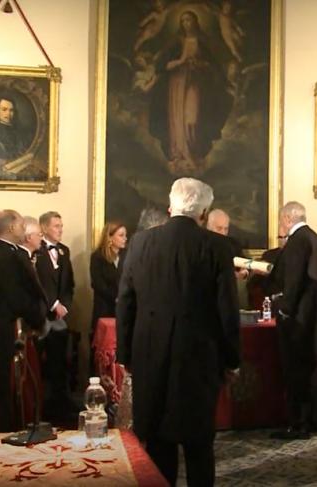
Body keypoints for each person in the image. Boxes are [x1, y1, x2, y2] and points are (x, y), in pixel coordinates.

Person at [116, 178, 240, 487]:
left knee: (158, 443)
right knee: (199, 445)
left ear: (171, 205)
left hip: (150, 354)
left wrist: (126, 354)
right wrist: (232, 360)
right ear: (203, 212)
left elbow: (125, 302)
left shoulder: (141, 242)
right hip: (199, 358)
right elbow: (227, 309)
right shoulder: (216, 246)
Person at [267, 201, 317, 440]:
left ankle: (298, 424)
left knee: (295, 372)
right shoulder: (316, 239)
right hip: (311, 317)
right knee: (310, 371)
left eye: (282, 219)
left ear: (288, 218)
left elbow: (292, 283)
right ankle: (313, 420)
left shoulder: (297, 241)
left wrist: (283, 309)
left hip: (297, 320)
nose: (281, 224)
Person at [148, 10, 231, 174]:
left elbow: (214, 68)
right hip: (177, 85)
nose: (187, 24)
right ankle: (179, 155)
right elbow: (162, 66)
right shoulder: (176, 43)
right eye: (184, 21)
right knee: (177, 120)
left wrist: (201, 65)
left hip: (196, 84)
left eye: (189, 20)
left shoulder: (203, 43)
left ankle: (194, 153)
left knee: (191, 119)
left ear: (195, 22)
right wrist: (180, 62)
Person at [0, 210, 46, 432]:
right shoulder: (5, 256)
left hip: (14, 324)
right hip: (9, 327)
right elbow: (16, 297)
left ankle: (17, 422)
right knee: (8, 381)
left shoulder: (9, 252)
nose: (24, 228)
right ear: (11, 228)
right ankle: (6, 429)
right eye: (21, 224)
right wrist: (37, 318)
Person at [34, 211, 76, 422]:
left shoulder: (65, 251)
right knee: (38, 364)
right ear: (43, 228)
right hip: (41, 315)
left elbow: (69, 284)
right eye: (56, 226)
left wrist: (65, 304)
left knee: (59, 362)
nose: (60, 229)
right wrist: (53, 304)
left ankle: (59, 409)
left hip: (60, 317)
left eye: (61, 225)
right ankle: (38, 408)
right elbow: (37, 282)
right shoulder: (35, 251)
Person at [90, 221, 128, 330]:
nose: (125, 238)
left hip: (123, 308)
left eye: (125, 235)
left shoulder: (127, 255)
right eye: (121, 235)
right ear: (109, 237)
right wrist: (116, 297)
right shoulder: (97, 257)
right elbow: (97, 283)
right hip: (105, 308)